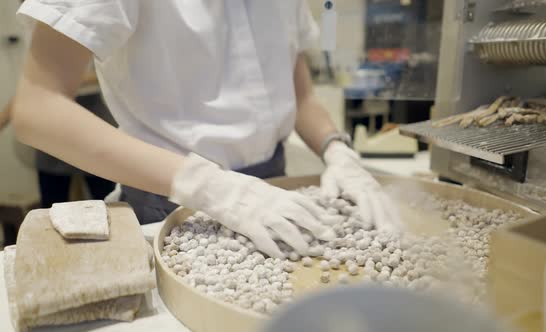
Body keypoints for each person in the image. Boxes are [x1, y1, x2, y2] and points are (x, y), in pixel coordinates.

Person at [11, 1, 402, 258]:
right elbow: (38, 108)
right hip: (172, 204)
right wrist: (208, 186)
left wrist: (337, 150)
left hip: (276, 194)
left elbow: (300, 97)